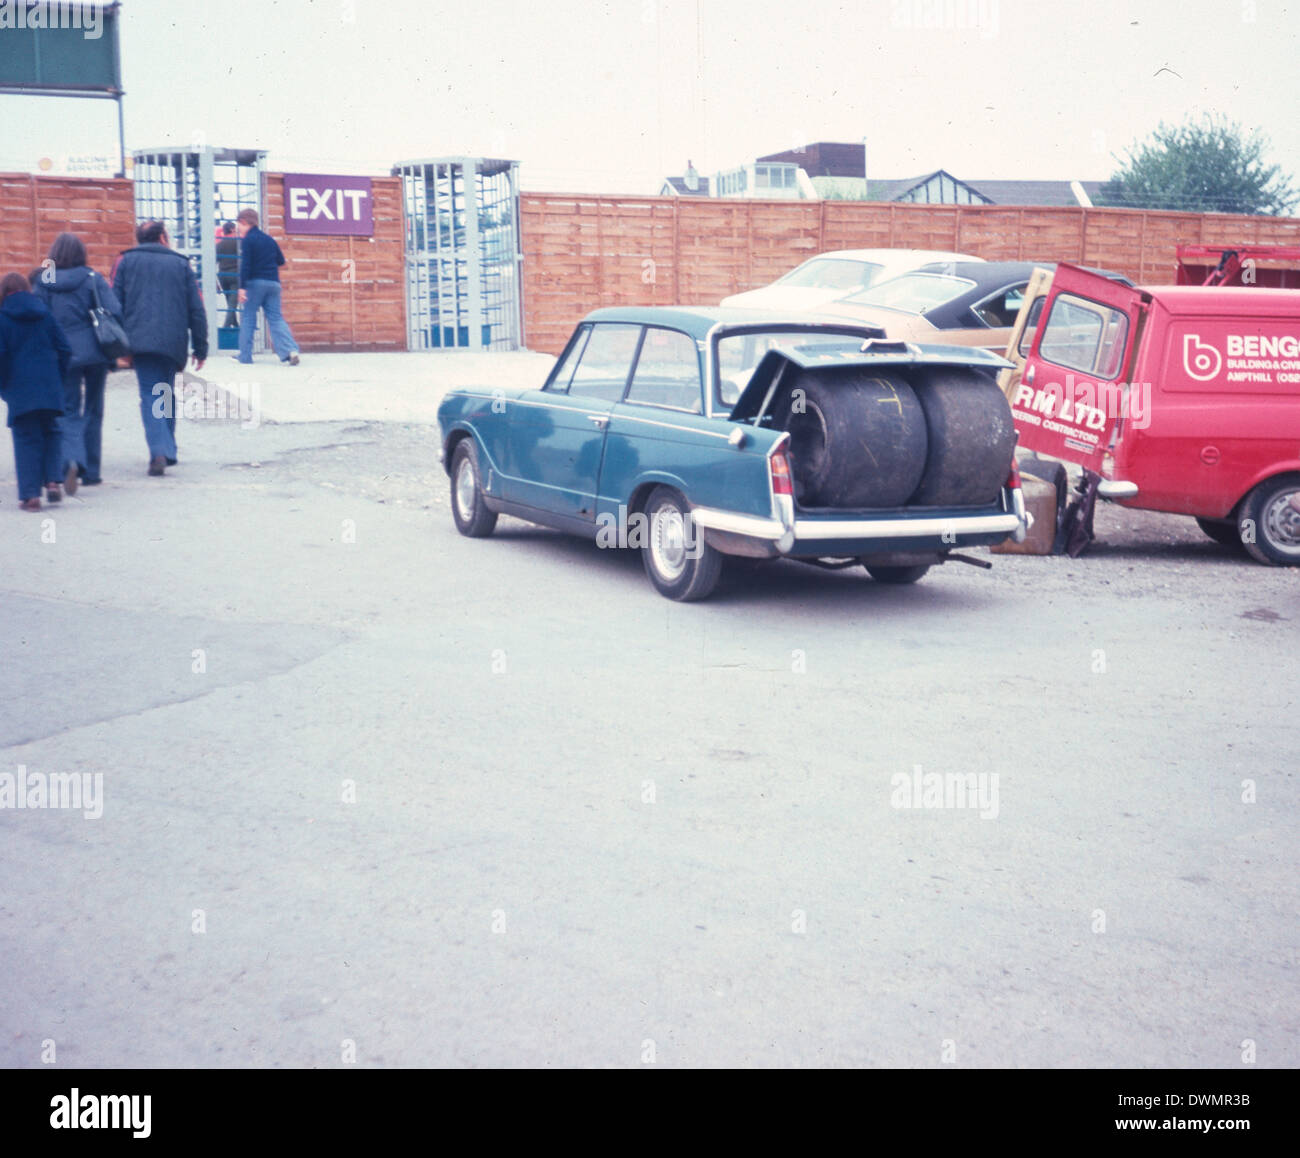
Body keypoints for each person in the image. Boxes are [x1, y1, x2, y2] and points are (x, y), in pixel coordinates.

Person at [112, 221, 207, 476]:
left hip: (139, 341)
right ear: (163, 237)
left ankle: (160, 451)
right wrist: (201, 346)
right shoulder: (181, 264)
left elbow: (115, 305)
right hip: (173, 342)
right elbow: (196, 309)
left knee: (151, 393)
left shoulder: (125, 262)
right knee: (165, 391)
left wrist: (117, 344)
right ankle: (167, 447)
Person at [31, 232, 123, 491]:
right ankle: (91, 472)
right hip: (96, 352)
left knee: (68, 409)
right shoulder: (92, 278)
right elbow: (115, 311)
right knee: (94, 409)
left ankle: (71, 459)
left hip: (62, 355)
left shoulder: (44, 281)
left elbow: (37, 318)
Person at [0, 272, 71, 511]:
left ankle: (30, 496)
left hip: (20, 389)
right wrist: (57, 377)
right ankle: (52, 483)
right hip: (49, 385)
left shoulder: (2, 318)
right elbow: (65, 348)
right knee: (51, 432)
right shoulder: (45, 314)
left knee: (26, 438)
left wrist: (4, 385)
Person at [235, 208, 300, 366]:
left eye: (239, 226)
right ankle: (290, 350)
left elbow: (246, 265)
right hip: (273, 284)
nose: (238, 229)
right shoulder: (269, 239)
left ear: (244, 222)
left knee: (249, 317)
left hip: (255, 283)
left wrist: (242, 288)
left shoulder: (248, 240)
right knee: (276, 318)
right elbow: (281, 261)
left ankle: (245, 356)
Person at [216, 221, 239, 329]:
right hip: (235, 275)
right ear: (232, 229)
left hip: (222, 276)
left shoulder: (219, 244)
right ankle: (225, 328)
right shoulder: (239, 243)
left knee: (229, 302)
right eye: (236, 228)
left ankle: (235, 326)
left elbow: (213, 262)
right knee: (232, 304)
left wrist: (215, 282)